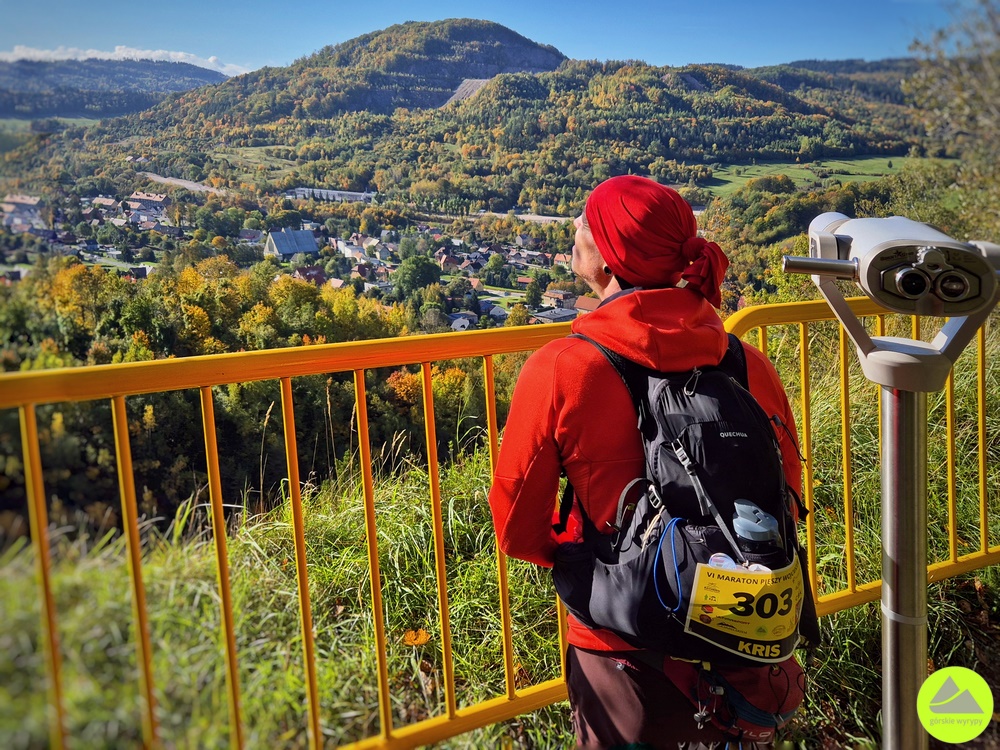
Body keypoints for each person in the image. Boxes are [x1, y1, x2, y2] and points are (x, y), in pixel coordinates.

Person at [487, 175, 803, 749]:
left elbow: (516, 528)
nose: (575, 230)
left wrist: (584, 564)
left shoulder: (562, 367)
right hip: (743, 637)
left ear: (608, 263)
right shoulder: (746, 360)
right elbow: (789, 487)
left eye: (586, 222)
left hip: (624, 643)